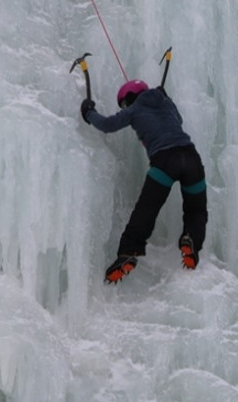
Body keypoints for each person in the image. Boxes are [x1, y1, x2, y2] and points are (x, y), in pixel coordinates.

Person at [81, 78, 207, 283]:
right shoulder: (166, 103)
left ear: (129, 98)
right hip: (191, 158)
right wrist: (165, 98)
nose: (125, 107)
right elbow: (178, 120)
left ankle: (128, 253)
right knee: (197, 209)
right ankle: (191, 240)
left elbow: (107, 125)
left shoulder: (134, 110)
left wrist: (88, 112)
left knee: (146, 210)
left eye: (124, 103)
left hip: (165, 161)